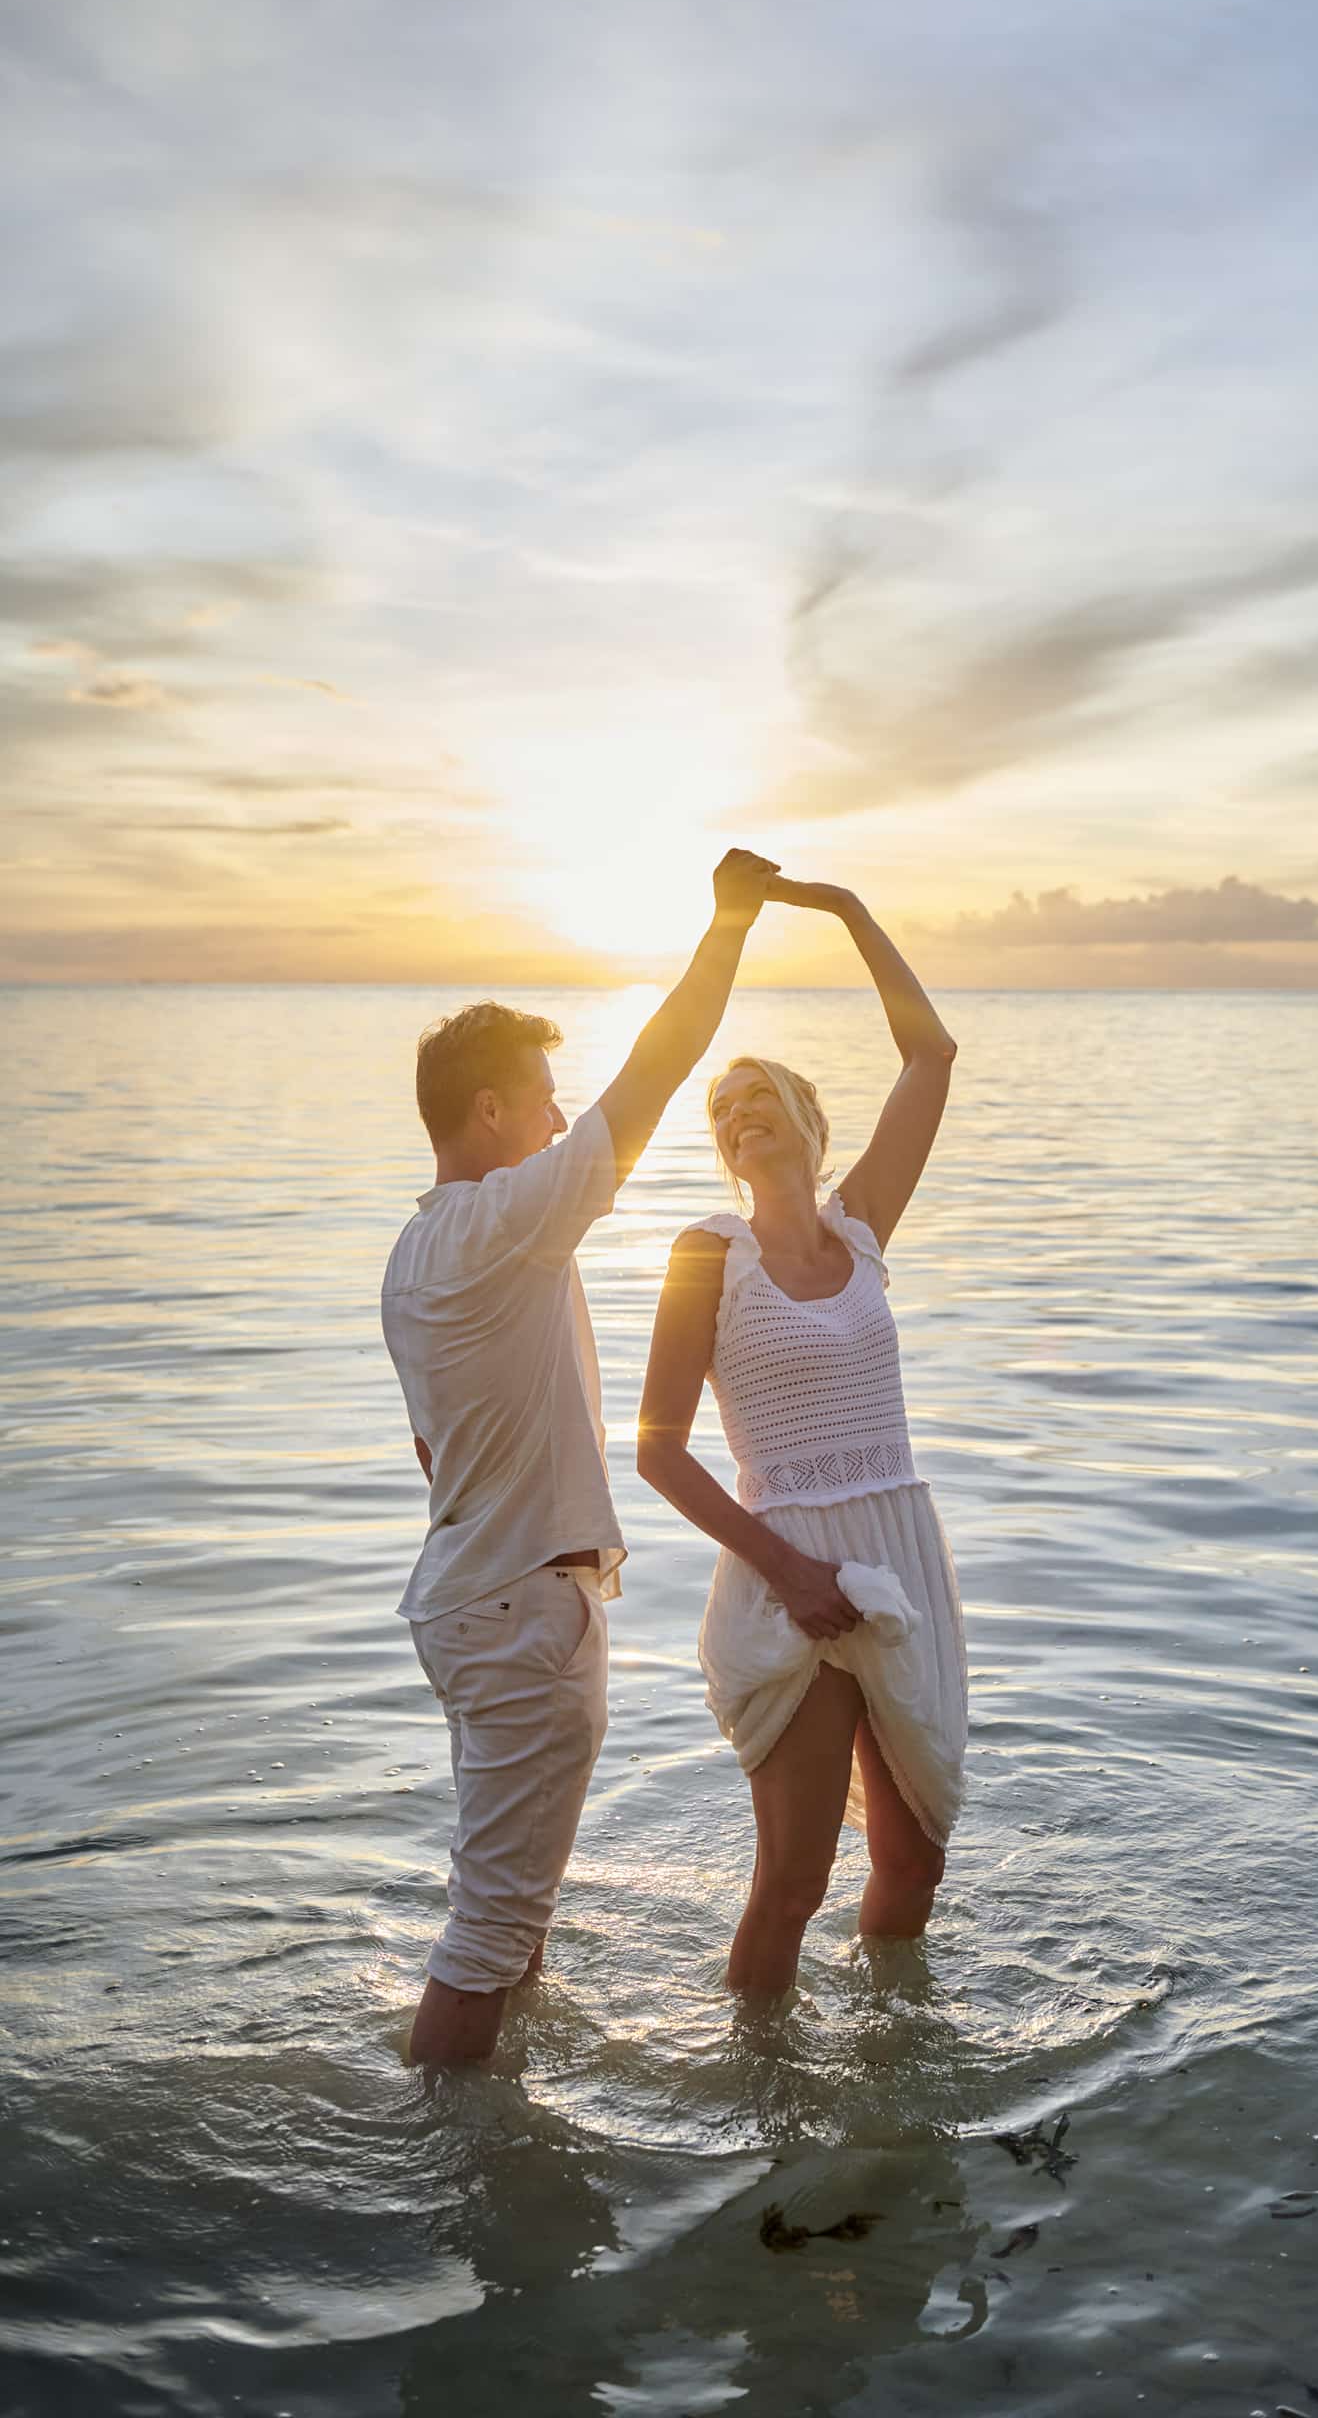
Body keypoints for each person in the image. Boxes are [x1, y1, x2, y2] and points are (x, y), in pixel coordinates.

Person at [381, 847, 778, 2066]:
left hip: (477, 1599)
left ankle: (501, 2114)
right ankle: (449, 2158)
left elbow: (430, 1448)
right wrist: (725, 929)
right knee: (489, 1926)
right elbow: (648, 1086)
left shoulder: (414, 1255)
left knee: (508, 1913)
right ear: (490, 1113)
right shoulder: (499, 1224)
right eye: (542, 1098)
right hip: (516, 1616)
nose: (561, 1119)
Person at [636, 879, 967, 1997]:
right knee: (793, 1878)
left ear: (814, 1125)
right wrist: (792, 1568)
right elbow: (657, 1447)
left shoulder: (863, 1228)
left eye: (759, 1091)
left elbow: (931, 1058)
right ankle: (767, 2100)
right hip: (787, 1569)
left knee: (915, 1858)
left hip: (898, 1544)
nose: (738, 1109)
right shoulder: (705, 1252)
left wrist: (843, 910)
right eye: (722, 1106)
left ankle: (894, 2065)